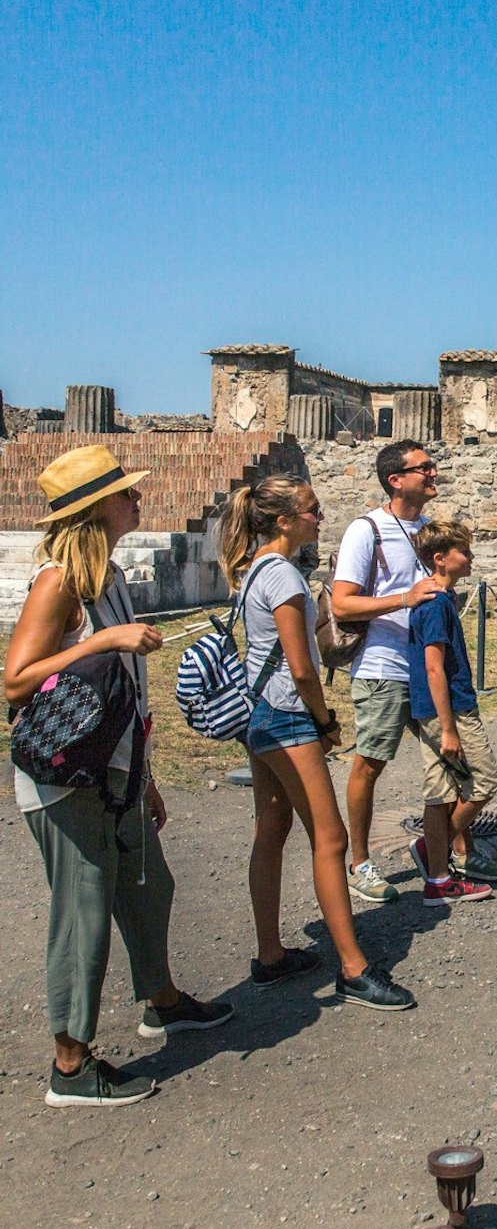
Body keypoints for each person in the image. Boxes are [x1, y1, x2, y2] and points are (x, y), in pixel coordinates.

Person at [7, 445, 234, 1107]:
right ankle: (71, 1066)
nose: (138, 499)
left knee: (149, 885)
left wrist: (147, 774)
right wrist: (105, 641)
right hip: (67, 780)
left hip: (115, 772)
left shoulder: (109, 577)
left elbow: (125, 695)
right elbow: (16, 679)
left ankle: (160, 999)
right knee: (82, 916)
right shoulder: (60, 583)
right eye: (125, 493)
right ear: (96, 509)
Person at [219, 475, 415, 1011]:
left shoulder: (255, 567)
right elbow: (302, 667)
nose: (319, 518)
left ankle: (270, 955)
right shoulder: (282, 574)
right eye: (312, 510)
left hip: (261, 713)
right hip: (288, 715)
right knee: (330, 840)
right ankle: (353, 968)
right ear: (284, 521)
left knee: (271, 827)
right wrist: (325, 721)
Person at [331, 440, 448, 900]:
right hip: (383, 665)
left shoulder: (429, 530)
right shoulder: (368, 530)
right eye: (424, 468)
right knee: (371, 762)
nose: (433, 473)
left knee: (448, 762)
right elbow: (342, 602)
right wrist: (405, 598)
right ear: (396, 480)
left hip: (427, 667)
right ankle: (359, 863)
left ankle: (443, 851)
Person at [405, 521, 497, 904]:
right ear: (440, 560)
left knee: (440, 792)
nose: (471, 557)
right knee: (484, 782)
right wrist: (449, 728)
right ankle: (434, 850)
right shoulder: (435, 605)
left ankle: (437, 879)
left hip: (430, 711)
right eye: (463, 551)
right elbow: (435, 667)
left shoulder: (438, 601)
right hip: (451, 712)